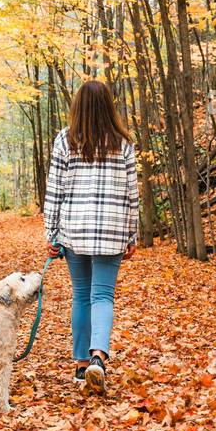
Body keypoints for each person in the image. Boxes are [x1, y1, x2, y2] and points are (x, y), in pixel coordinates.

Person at [43, 79, 138, 394]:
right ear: (108, 107)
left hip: (74, 229)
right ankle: (99, 356)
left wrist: (51, 232)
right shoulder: (123, 144)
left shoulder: (64, 140)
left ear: (77, 107)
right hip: (111, 230)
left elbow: (54, 191)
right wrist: (131, 234)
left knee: (82, 296)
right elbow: (132, 194)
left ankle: (82, 367)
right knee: (102, 296)